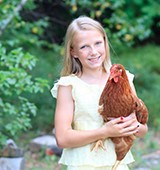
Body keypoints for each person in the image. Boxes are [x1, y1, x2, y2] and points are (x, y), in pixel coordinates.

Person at [50, 16, 148, 170]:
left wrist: (133, 125)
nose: (93, 52)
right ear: (73, 52)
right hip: (83, 164)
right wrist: (105, 132)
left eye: (97, 43)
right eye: (84, 47)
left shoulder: (122, 80)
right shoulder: (69, 85)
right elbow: (62, 138)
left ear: (105, 43)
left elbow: (142, 130)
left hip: (117, 163)